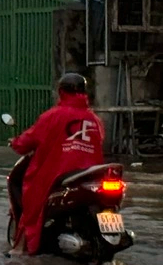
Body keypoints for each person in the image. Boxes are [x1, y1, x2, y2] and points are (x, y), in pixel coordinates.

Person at [9, 72, 105, 255]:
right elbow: (99, 141)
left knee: (33, 200)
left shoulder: (52, 116)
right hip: (89, 173)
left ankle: (25, 247)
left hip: (59, 171)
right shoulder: (94, 119)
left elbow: (30, 139)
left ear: (61, 92)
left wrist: (16, 142)